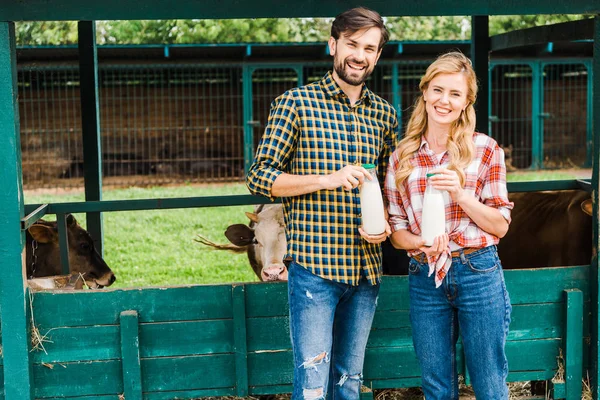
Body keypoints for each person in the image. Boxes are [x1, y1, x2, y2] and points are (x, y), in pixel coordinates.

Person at [246, 7, 398, 400]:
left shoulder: (384, 114)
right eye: (351, 44)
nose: (359, 55)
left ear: (377, 56)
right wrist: (325, 180)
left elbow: (388, 187)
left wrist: (386, 226)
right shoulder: (295, 103)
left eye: (369, 48)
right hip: (314, 269)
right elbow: (259, 176)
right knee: (313, 387)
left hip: (366, 271)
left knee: (349, 385)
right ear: (333, 44)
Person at [384, 51, 514, 399]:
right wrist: (419, 242)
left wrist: (461, 194)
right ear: (425, 91)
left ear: (466, 101)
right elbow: (395, 231)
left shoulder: (485, 150)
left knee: (488, 381)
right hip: (425, 274)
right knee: (436, 384)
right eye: (438, 90)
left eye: (455, 94)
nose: (444, 100)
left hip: (478, 269)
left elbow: (500, 226)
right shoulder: (402, 157)